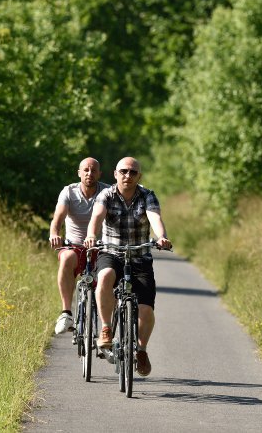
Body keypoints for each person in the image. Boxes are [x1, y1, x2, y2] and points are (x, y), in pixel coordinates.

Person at [84, 157, 171, 377]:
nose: (128, 176)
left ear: (139, 176)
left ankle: (141, 350)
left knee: (146, 309)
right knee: (104, 277)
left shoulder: (147, 196)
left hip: (140, 257)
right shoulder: (106, 195)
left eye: (133, 173)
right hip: (111, 252)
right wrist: (92, 235)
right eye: (124, 171)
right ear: (115, 174)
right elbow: (97, 216)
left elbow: (154, 218)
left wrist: (161, 237)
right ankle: (105, 328)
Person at [48, 157, 110, 335]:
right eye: (86, 170)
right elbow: (57, 219)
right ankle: (66, 313)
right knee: (66, 258)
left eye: (93, 170)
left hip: (102, 247)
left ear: (100, 174)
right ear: (79, 173)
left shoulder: (107, 192)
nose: (89, 173)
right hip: (74, 246)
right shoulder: (69, 192)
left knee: (113, 276)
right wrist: (54, 234)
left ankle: (108, 327)